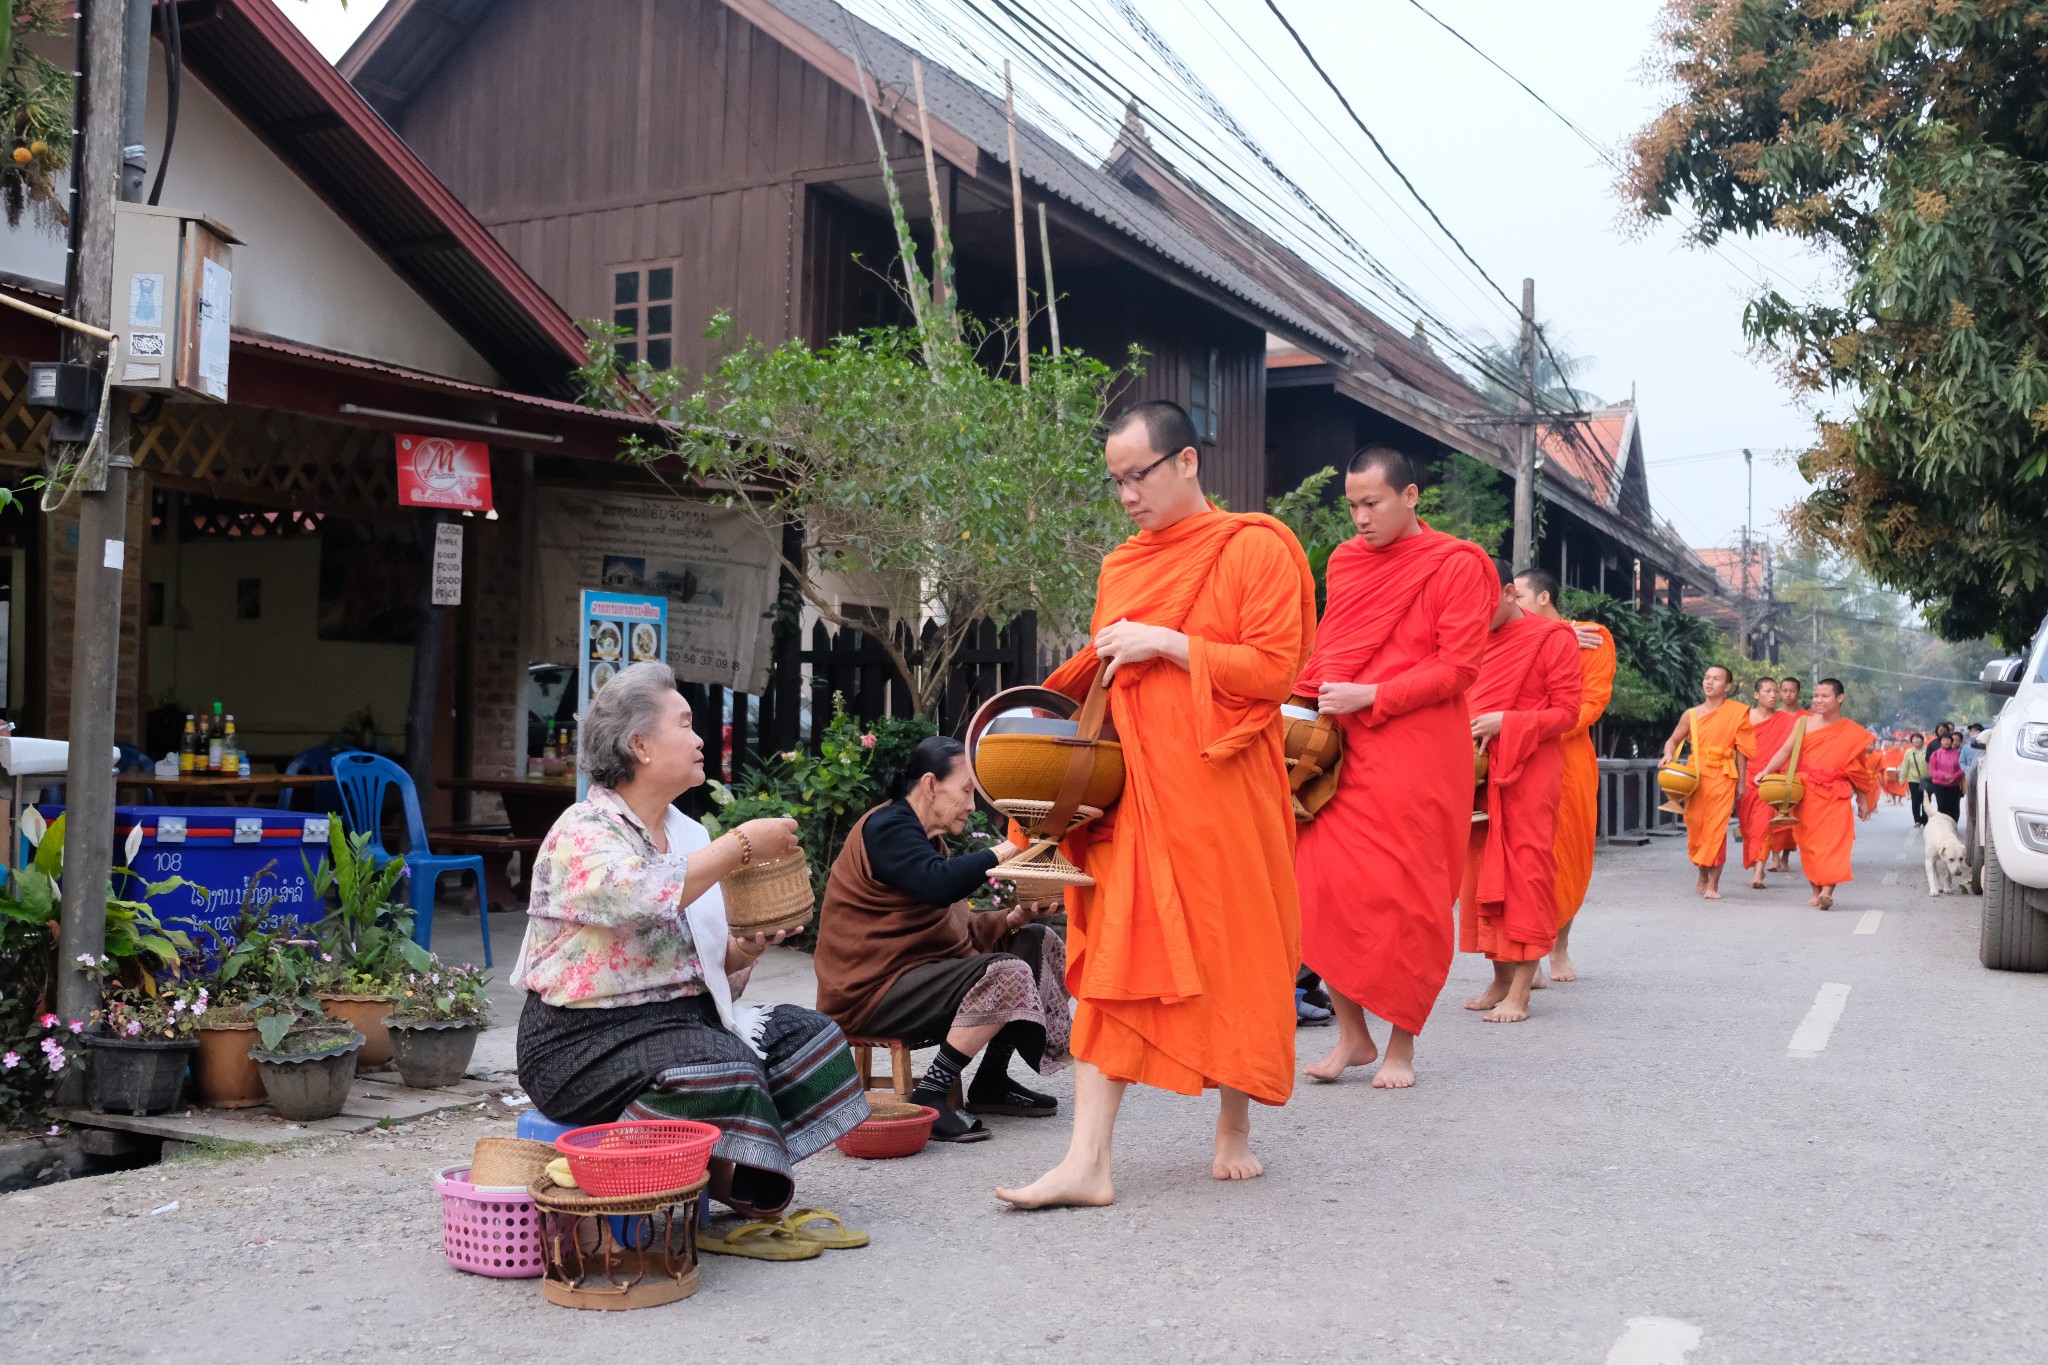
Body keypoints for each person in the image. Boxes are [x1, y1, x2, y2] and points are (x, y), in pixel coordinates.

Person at [995, 400, 1317, 1208]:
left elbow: (1274, 673)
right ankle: (1087, 1161)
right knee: (1114, 965)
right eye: (1116, 480)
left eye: (1138, 475)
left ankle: (1234, 1126)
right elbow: (1109, 682)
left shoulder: (1256, 548)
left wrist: (1168, 643)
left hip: (1225, 789)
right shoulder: (1123, 566)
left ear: (1186, 463)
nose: (1127, 493)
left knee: (1235, 950)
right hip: (1137, 796)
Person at [513, 661, 869, 1221]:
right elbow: (639, 892)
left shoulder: (690, 834)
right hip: (577, 1040)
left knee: (812, 1040)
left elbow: (707, 963)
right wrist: (742, 844)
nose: (700, 739)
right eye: (684, 724)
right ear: (640, 746)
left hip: (681, 1020)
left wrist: (747, 947)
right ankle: (647, 1169)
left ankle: (727, 1172)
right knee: (722, 1065)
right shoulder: (582, 832)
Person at [1293, 446, 1497, 1087]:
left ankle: (1401, 1047)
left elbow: (1459, 669)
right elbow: (1332, 645)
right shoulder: (1347, 561)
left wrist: (1374, 695)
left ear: (1411, 497)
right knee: (1320, 886)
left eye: (1371, 503)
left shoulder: (1457, 564)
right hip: (1345, 750)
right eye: (1352, 505)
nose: (1359, 518)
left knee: (1410, 897)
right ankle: (1353, 1037)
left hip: (1420, 752)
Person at [813, 737, 1070, 1143]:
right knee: (1006, 972)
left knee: (1035, 941)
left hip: (918, 980)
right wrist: (1009, 849)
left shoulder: (929, 841)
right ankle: (932, 1094)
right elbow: (937, 886)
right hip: (872, 991)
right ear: (930, 785)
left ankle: (992, 1081)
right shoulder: (886, 828)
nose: (972, 805)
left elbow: (954, 932)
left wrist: (1014, 917)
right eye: (966, 791)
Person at [1456, 558, 1581, 1023]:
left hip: (1529, 771)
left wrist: (1507, 722)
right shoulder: (1471, 640)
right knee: (1481, 874)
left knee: (1526, 872)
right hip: (1476, 773)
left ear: (1510, 593)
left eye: (1482, 605)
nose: (1474, 617)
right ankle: (1500, 976)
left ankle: (1522, 991)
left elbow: (1567, 713)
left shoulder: (1553, 637)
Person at [1512, 569, 1613, 983]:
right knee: (1525, 857)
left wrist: (1541, 726)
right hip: (1518, 753)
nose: (1509, 600)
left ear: (1543, 597)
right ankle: (1526, 956)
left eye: (1516, 593)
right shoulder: (1512, 636)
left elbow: (1592, 701)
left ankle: (1561, 946)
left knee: (1566, 854)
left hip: (1567, 755)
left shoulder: (1593, 638)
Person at [1755, 678, 1876, 910]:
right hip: (1806, 793)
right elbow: (1785, 751)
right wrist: (1766, 771)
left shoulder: (1852, 732)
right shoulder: (1803, 724)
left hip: (1836, 793)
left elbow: (1857, 771)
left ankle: (1827, 891)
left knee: (1835, 844)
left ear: (1840, 698)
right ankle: (1815, 890)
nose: (1818, 701)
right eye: (1816, 696)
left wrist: (1862, 800)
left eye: (1824, 696)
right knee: (1809, 843)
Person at [1661, 665, 1754, 900]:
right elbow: (1672, 740)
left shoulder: (1738, 712)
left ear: (1728, 687)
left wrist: (1742, 783)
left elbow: (1741, 751)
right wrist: (1668, 755)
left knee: (1716, 829)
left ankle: (1713, 884)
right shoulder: (1691, 715)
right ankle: (1702, 871)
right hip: (1696, 777)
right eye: (1707, 678)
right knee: (1697, 826)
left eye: (1716, 679)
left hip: (1723, 775)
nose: (1709, 682)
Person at [1736, 678, 1797, 890]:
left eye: (1775, 691)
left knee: (1764, 825)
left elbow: (1793, 749)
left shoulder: (1787, 721)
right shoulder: (1744, 718)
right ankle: (1756, 862)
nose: (1773, 695)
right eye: (1768, 691)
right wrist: (1740, 781)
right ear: (1756, 695)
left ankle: (1758, 873)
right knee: (1748, 827)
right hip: (1747, 777)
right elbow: (1740, 751)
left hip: (1770, 779)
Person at [1767, 676, 1810, 873]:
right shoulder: (1772, 716)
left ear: (1798, 693)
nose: (1787, 695)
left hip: (1798, 771)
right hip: (1775, 770)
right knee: (1774, 815)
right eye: (1784, 691)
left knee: (1792, 819)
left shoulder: (1807, 718)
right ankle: (1774, 857)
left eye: (1792, 691)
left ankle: (1785, 857)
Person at [1927, 731, 1966, 823]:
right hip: (1940, 785)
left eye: (1948, 739)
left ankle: (1953, 824)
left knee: (1954, 807)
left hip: (1954, 785)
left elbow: (1961, 767)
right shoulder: (1935, 754)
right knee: (1942, 806)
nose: (1946, 742)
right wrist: (1944, 776)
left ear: (1952, 741)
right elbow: (1932, 770)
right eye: (1944, 739)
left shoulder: (1958, 754)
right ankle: (1943, 825)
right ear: (1940, 741)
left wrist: (1955, 776)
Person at [1899, 732, 1930, 827]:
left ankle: (1925, 820)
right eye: (1914, 738)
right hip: (1914, 780)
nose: (1917, 740)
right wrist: (1902, 779)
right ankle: (1917, 820)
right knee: (1915, 801)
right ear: (1911, 741)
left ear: (1922, 740)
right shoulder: (1909, 753)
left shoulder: (1928, 750)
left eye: (1919, 738)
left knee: (1926, 800)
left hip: (1926, 779)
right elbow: (1905, 767)